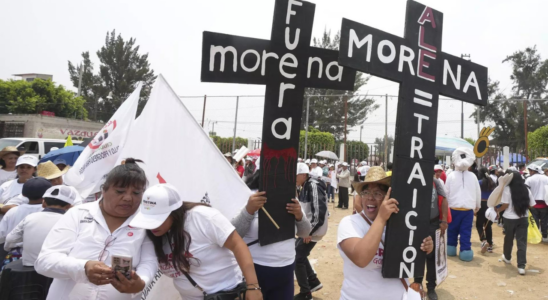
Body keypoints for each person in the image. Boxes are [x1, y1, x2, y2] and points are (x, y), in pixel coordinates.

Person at [35, 159, 158, 299]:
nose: (128, 198)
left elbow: (149, 262)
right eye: (120, 191)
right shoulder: (78, 214)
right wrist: (83, 267)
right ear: (104, 190)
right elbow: (45, 261)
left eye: (136, 193)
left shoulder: (145, 222)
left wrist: (141, 282)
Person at [129, 184, 262, 300]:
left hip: (229, 293)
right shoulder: (152, 235)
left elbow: (237, 245)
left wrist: (253, 287)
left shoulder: (202, 217)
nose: (152, 226)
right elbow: (148, 263)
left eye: (157, 219)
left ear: (174, 213)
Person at [338, 167, 434, 300]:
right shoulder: (350, 223)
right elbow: (361, 259)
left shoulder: (402, 224)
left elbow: (411, 257)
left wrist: (426, 247)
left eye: (377, 193)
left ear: (387, 197)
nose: (370, 198)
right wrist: (381, 218)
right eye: (366, 193)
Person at [232, 163, 311, 300]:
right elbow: (234, 235)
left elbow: (305, 233)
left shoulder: (290, 198)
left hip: (285, 271)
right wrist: (249, 210)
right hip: (254, 271)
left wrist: (299, 216)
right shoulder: (248, 196)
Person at [4, 185, 76, 266]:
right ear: (69, 206)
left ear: (43, 203)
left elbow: (10, 240)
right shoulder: (70, 222)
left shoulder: (29, 218)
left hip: (28, 269)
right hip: (55, 269)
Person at [413, 168, 449, 300]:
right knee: (418, 254)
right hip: (416, 224)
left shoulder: (436, 182)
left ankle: (431, 287)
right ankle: (417, 283)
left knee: (432, 256)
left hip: (433, 224)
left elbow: (444, 200)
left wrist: (444, 220)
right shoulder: (414, 181)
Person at [295, 162, 328, 300]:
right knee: (298, 253)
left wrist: (309, 232)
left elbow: (318, 211)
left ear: (303, 175)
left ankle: (306, 293)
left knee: (297, 258)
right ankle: (313, 281)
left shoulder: (312, 185)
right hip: (309, 229)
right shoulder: (305, 185)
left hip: (313, 230)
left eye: (295, 175)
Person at [496, 171, 536, 275]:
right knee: (522, 241)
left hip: (509, 218)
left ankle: (507, 257)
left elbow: (505, 204)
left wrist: (498, 210)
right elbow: (531, 204)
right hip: (523, 218)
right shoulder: (526, 189)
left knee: (508, 238)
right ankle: (521, 266)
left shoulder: (507, 189)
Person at [445, 148, 481, 261]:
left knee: (452, 230)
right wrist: (477, 205)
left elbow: (446, 193)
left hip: (453, 208)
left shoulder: (450, 176)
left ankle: (450, 248)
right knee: (466, 231)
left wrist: (445, 207)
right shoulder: (473, 177)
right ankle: (465, 251)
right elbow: (477, 192)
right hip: (468, 210)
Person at [0, 177, 52, 243]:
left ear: (23, 194)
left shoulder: (12, 211)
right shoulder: (49, 212)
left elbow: (1, 235)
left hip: (12, 251)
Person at [525, 164, 548, 243]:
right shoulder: (546, 178)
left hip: (533, 204)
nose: (529, 172)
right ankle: (544, 236)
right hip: (545, 204)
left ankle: (536, 236)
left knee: (535, 221)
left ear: (533, 171)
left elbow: (526, 191)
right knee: (544, 221)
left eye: (530, 171)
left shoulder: (529, 179)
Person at [476, 168, 496, 254]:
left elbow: (476, 194)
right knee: (488, 226)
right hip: (490, 205)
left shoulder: (479, 182)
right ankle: (490, 245)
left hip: (481, 204)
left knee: (479, 224)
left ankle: (483, 240)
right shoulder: (492, 182)